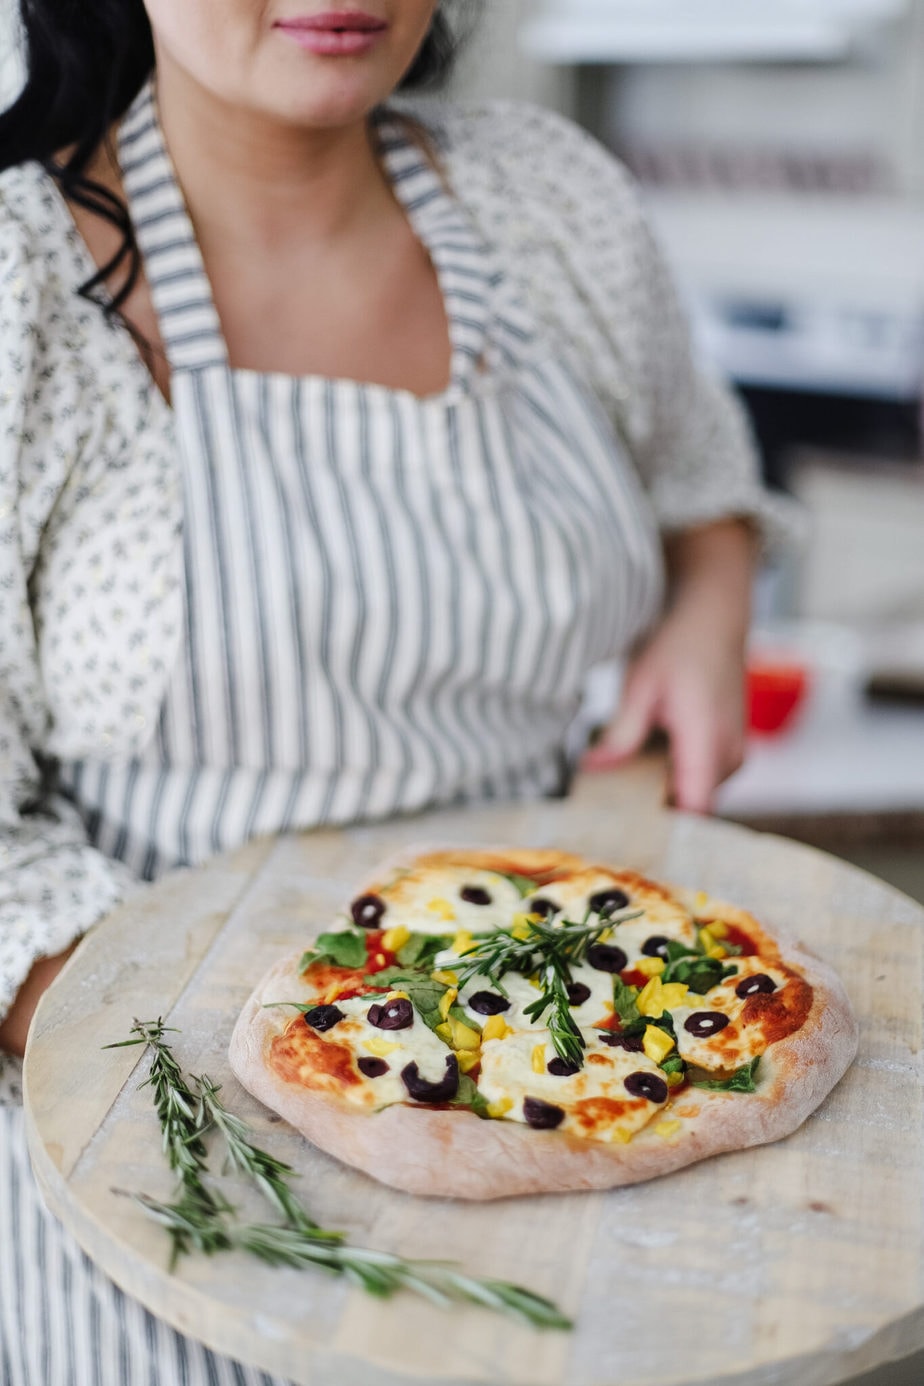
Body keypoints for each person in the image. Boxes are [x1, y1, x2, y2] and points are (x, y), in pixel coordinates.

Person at [0, 1, 790, 1379]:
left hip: (572, 1060)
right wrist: (266, 1053)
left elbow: (700, 476)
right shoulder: (16, 280)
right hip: (177, 1170)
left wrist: (707, 608)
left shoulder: (550, 198)